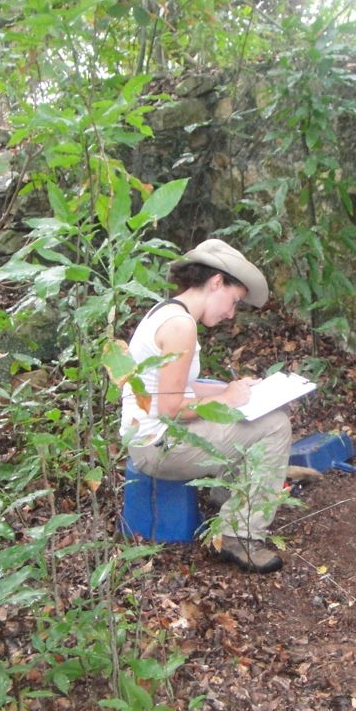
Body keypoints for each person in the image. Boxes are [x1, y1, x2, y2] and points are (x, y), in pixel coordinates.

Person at [120, 238, 292, 573]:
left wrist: (226, 390)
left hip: (148, 439)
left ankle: (226, 495)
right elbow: (169, 410)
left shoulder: (168, 313)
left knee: (255, 410)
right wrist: (225, 400)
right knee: (275, 425)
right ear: (216, 283)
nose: (231, 313)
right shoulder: (181, 326)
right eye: (233, 301)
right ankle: (238, 534)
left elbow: (175, 384)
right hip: (158, 448)